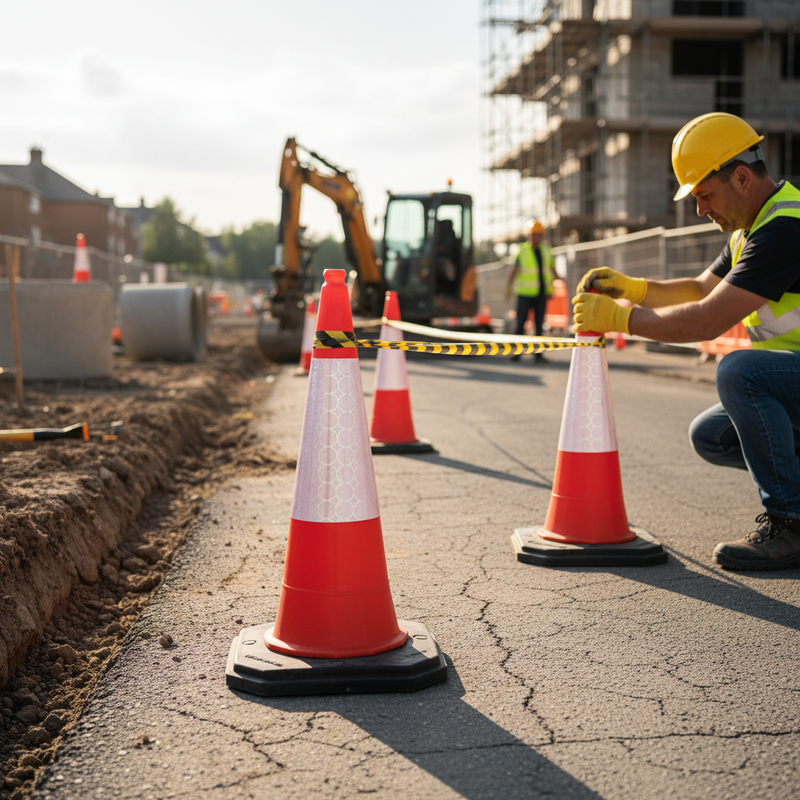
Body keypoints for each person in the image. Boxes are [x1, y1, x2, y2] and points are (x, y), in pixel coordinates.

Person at [571, 112, 800, 570]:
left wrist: (622, 319)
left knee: (739, 373)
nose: (700, 209)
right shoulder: (753, 228)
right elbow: (699, 289)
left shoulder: (785, 229)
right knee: (711, 436)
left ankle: (791, 522)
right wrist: (632, 288)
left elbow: (705, 319)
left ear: (740, 177)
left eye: (704, 194)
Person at [506, 219, 556, 363]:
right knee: (520, 324)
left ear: (542, 236)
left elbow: (551, 269)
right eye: (533, 235)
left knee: (539, 325)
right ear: (529, 236)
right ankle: (516, 352)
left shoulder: (546, 250)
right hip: (524, 294)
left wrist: (558, 281)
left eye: (538, 235)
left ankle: (538, 354)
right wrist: (508, 286)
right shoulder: (522, 250)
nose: (536, 238)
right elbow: (514, 270)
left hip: (541, 293)